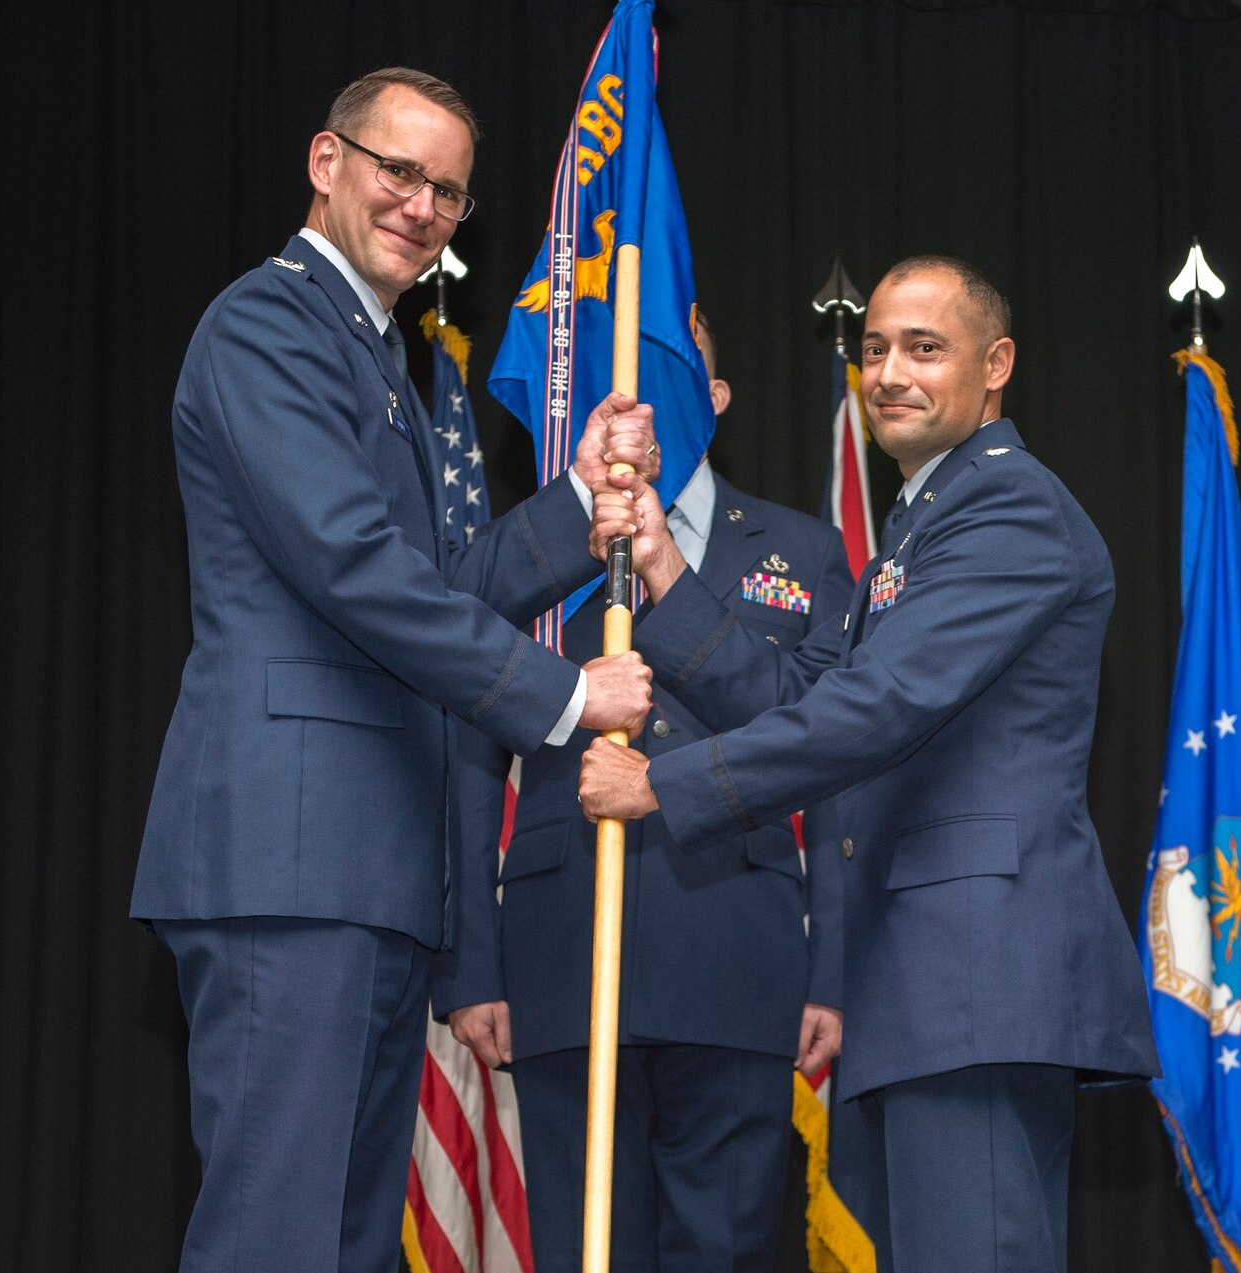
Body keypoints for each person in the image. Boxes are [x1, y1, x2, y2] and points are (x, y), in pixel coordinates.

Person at [131, 67, 660, 1272]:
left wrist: (578, 499)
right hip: (288, 857)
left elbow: (441, 591)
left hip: (368, 867)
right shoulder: (266, 324)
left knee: (350, 1239)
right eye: (398, 171)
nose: (421, 206)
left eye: (450, 193)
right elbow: (351, 569)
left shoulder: (389, 361)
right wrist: (568, 700)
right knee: (278, 1233)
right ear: (327, 163)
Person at [580, 257, 1159, 1271]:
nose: (888, 371)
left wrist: (659, 788)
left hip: (976, 981)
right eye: (878, 347)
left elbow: (875, 709)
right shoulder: (916, 528)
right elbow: (803, 703)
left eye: (924, 348)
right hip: (923, 986)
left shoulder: (1008, 510)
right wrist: (667, 576)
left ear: (996, 365)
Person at [434, 313, 855, 1271]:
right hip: (562, 952)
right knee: (589, 1250)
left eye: (671, 373)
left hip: (736, 952)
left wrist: (829, 965)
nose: (638, 401)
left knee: (729, 1251)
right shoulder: (534, 547)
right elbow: (465, 743)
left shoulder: (802, 548)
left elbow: (825, 751)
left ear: (715, 400)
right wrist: (469, 963)